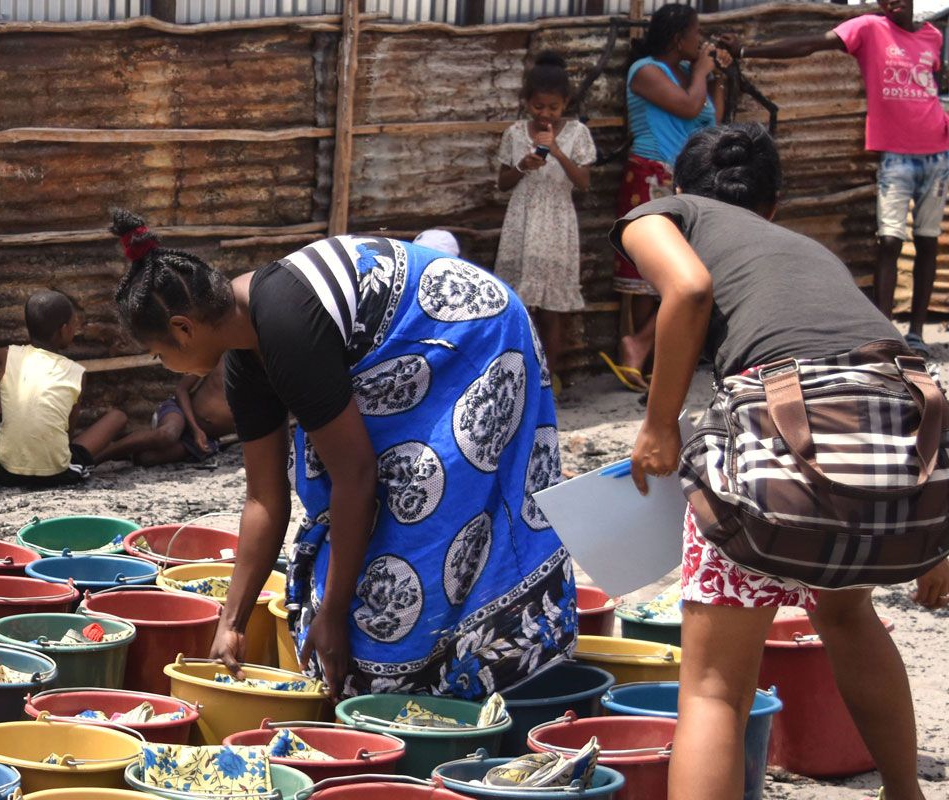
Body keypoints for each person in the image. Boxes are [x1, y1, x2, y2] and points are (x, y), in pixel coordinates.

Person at [108, 209, 575, 699]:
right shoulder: (246, 356)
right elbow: (264, 499)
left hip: (476, 339)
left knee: (425, 511)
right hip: (405, 357)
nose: (165, 366)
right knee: (370, 552)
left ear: (183, 329)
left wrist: (332, 616)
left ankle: (468, 670)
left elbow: (357, 478)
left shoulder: (285, 327)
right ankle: (425, 672)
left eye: (159, 355)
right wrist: (232, 622)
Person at [615, 123, 925, 800]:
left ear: (679, 189)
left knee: (715, 688)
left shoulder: (662, 215)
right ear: (773, 204)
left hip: (783, 429)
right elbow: (871, 372)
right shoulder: (801, 249)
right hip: (893, 431)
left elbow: (689, 290)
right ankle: (906, 794)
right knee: (846, 615)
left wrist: (658, 426)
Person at [739, 0, 949, 350]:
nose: (890, 2)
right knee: (890, 241)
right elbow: (810, 43)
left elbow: (933, 86)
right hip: (896, 156)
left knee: (927, 242)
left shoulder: (933, 36)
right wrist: (747, 50)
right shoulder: (869, 28)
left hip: (937, 156)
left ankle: (915, 334)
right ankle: (885, 335)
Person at [609, 3, 731, 391]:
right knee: (648, 272)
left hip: (686, 180)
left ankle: (641, 347)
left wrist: (719, 77)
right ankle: (638, 354)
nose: (700, 42)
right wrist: (701, 73)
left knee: (688, 269)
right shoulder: (645, 70)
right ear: (679, 38)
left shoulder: (685, 74)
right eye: (696, 34)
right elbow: (687, 106)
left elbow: (712, 119)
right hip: (651, 174)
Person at [0, 290, 155, 486]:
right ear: (63, 331)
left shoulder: (6, 355)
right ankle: (100, 458)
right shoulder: (76, 372)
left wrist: (5, 392)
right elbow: (67, 435)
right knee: (118, 417)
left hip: (3, 470)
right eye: (73, 325)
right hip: (59, 475)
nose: (75, 330)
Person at [497, 52, 595, 379]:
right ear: (527, 103)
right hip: (522, 222)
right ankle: (518, 376)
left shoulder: (578, 133)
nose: (546, 114)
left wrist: (556, 151)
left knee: (553, 310)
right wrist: (523, 165)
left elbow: (583, 183)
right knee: (521, 307)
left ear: (565, 103)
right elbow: (502, 183)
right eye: (539, 107)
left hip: (557, 223)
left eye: (553, 108)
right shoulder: (514, 133)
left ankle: (547, 380)